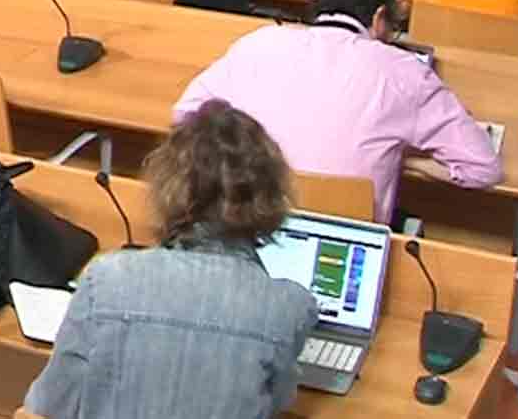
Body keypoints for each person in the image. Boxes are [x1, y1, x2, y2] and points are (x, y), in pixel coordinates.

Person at [23, 100, 316, 418]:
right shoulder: (289, 307)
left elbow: (50, 404)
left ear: (168, 187)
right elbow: (277, 402)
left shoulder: (107, 279)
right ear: (271, 196)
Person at [174, 0, 500, 224]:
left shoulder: (260, 42)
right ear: (378, 19)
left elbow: (184, 116)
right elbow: (482, 168)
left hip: (250, 221)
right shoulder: (402, 71)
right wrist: (405, 159)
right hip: (346, 237)